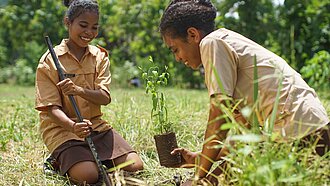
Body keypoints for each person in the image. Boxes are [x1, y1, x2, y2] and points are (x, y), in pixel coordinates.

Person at [159, 0, 330, 185]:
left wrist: (199, 175)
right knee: (218, 177)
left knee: (208, 182)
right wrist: (199, 159)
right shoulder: (227, 46)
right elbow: (246, 137)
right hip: (316, 134)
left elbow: (219, 116)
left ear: (193, 34)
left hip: (301, 135)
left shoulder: (212, 43)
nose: (177, 58)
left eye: (175, 49)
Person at [35, 0, 143, 184]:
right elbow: (50, 108)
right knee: (88, 176)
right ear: (67, 22)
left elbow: (105, 98)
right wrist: (72, 126)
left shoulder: (100, 57)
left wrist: (78, 90)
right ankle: (57, 161)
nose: (89, 33)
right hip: (63, 130)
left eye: (94, 27)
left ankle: (90, 160)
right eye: (83, 25)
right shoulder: (49, 61)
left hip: (96, 127)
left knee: (135, 167)